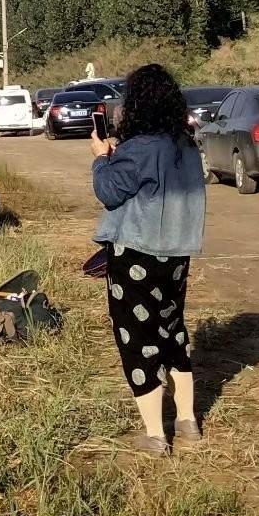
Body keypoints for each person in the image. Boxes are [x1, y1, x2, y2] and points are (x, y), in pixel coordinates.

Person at [90, 63, 208, 456]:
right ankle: (188, 421)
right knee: (173, 333)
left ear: (137, 103)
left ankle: (156, 435)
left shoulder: (139, 148)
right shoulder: (186, 145)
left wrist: (101, 157)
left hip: (137, 254)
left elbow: (109, 191)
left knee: (137, 341)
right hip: (177, 255)